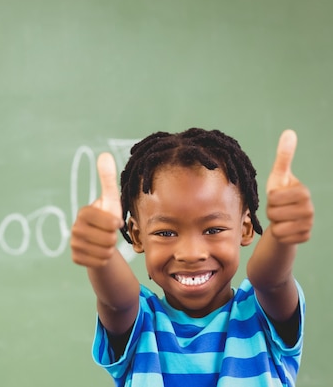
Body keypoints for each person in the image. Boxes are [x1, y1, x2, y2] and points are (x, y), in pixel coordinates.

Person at [70, 128, 314, 387]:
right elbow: (118, 302)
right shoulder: (140, 324)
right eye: (166, 232)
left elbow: (270, 280)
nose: (191, 254)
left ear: (245, 229)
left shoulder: (261, 315)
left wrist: (281, 232)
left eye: (213, 230)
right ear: (137, 237)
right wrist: (102, 256)